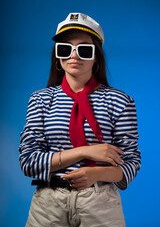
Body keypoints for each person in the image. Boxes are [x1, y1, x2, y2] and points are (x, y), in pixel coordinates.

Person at [19, 13, 141, 227]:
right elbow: (29, 162)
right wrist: (85, 151)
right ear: (58, 56)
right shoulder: (39, 100)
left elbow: (131, 162)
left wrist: (96, 173)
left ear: (96, 57)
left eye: (84, 49)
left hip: (101, 204)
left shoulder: (121, 101)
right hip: (48, 205)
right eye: (65, 48)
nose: (74, 55)